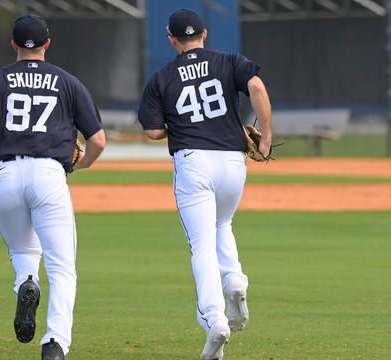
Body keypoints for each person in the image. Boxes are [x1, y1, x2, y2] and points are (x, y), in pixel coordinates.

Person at [0, 14, 106, 360]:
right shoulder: (67, 82)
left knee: (24, 252)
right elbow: (98, 141)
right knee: (62, 267)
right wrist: (80, 163)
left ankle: (27, 281)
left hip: (5, 174)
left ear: (13, 44)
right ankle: (55, 343)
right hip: (49, 172)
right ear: (47, 43)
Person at [137, 9, 272, 360]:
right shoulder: (228, 61)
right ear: (204, 34)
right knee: (222, 223)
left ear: (171, 38)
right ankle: (235, 281)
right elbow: (256, 85)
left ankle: (214, 319)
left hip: (193, 162)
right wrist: (267, 136)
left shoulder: (162, 76)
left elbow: (152, 131)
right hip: (231, 160)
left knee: (201, 245)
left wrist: (177, 124)